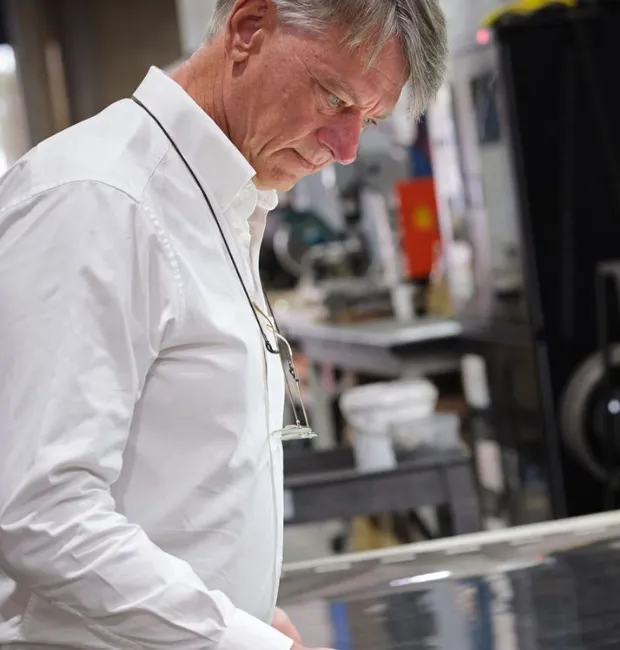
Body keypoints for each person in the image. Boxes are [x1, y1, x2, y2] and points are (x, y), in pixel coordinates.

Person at [0, 1, 447, 649]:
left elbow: (176, 476)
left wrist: (234, 615)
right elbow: (39, 512)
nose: (347, 150)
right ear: (248, 29)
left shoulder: (221, 204)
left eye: (368, 120)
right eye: (335, 98)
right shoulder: (101, 198)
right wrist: (233, 638)